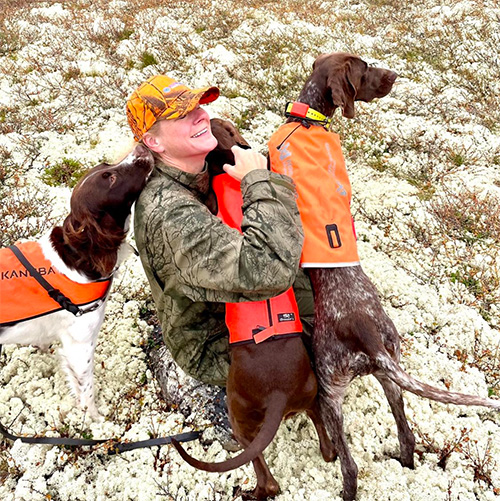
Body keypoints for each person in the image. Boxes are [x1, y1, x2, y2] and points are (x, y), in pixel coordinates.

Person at [127, 75, 314, 388]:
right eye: (181, 115)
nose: (201, 115)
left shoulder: (193, 170)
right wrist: (258, 180)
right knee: (338, 344)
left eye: (198, 106)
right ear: (153, 142)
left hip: (230, 297)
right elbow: (270, 270)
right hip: (218, 345)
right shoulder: (169, 212)